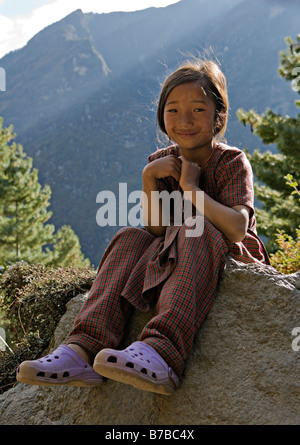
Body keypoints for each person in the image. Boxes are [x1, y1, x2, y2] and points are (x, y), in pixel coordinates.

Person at [17, 58, 269, 395]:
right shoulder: (160, 163)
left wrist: (192, 190)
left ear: (218, 116)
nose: (184, 120)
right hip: (179, 251)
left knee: (194, 226)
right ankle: (81, 350)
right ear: (162, 117)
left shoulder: (231, 161)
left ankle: (161, 352)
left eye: (197, 109)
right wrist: (149, 179)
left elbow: (237, 228)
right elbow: (156, 231)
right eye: (173, 110)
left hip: (225, 255)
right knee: (129, 237)